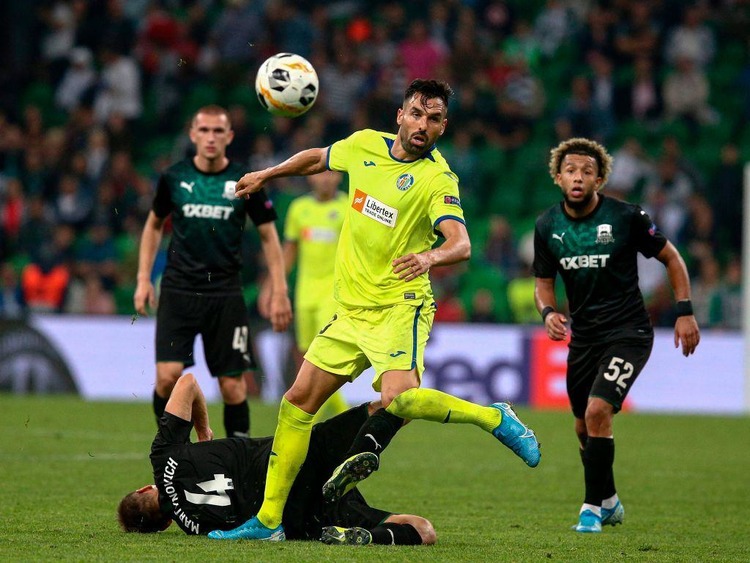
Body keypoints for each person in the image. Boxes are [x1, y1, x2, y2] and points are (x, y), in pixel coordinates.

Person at [209, 79, 540, 542]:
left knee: (399, 400)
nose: (423, 125)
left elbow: (461, 243)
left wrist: (429, 257)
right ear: (400, 116)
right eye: (417, 114)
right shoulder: (365, 145)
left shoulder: (437, 179)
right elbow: (318, 158)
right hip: (351, 310)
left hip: (399, 307)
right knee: (296, 403)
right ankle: (268, 522)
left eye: (434, 119)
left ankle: (494, 417)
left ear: (443, 127)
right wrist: (269, 173)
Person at [532, 137, 700, 533]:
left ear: (599, 180)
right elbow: (543, 283)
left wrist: (685, 311)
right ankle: (608, 500)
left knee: (597, 412)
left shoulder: (626, 217)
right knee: (581, 426)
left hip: (629, 332)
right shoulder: (547, 226)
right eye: (570, 171)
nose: (578, 177)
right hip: (584, 338)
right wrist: (548, 312)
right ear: (558, 178)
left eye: (587, 172)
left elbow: (672, 257)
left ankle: (590, 509)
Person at [117, 373, 436, 546]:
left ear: (165, 523)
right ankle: (366, 446)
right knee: (394, 406)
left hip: (304, 516)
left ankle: (370, 538)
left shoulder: (196, 529)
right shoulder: (163, 457)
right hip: (293, 461)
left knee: (422, 531)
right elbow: (187, 382)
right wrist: (203, 430)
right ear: (145, 488)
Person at [134, 105, 291, 438]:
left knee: (233, 386)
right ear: (192, 134)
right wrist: (143, 279)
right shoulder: (174, 178)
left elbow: (268, 235)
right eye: (203, 130)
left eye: (218, 130)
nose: (210, 137)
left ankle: (236, 456)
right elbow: (153, 225)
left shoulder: (245, 180)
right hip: (178, 290)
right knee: (167, 377)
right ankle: (174, 448)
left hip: (225, 294)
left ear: (229, 136)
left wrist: (279, 290)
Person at [283, 170, 349, 420]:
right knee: (306, 355)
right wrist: (276, 286)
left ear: (339, 177)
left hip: (334, 293)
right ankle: (315, 415)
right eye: (320, 174)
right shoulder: (299, 208)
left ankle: (338, 416)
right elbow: (290, 248)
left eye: (331, 174)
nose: (325, 179)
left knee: (324, 354)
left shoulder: (349, 206)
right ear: (311, 177)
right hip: (305, 292)